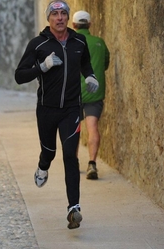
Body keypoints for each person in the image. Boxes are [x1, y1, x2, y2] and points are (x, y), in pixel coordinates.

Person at [14, 1, 99, 230]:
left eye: (63, 13)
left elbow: (86, 65)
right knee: (49, 152)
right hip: (47, 110)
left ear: (68, 18)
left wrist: (90, 77)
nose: (59, 18)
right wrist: (42, 67)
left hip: (72, 109)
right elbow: (19, 76)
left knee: (70, 155)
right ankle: (43, 166)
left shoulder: (79, 41)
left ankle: (74, 208)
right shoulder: (38, 44)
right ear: (48, 18)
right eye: (55, 14)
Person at [72, 10, 110, 180]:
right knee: (92, 127)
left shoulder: (70, 43)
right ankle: (92, 164)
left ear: (73, 25)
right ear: (89, 24)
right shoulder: (99, 43)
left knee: (74, 129)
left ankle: (73, 163)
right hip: (94, 94)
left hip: (74, 94)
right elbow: (105, 64)